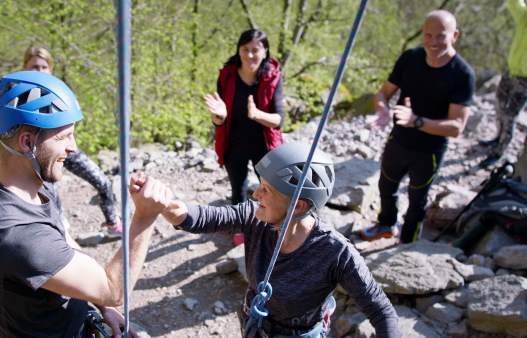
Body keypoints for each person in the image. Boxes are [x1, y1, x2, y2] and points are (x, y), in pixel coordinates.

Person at [133, 142, 401, 337]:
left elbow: (381, 312)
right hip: (255, 324)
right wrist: (164, 204)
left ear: (297, 206)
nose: (255, 194)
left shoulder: (336, 253)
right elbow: (205, 217)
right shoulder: (255, 216)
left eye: (267, 190)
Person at [0, 71, 160, 337]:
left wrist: (100, 305)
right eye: (64, 136)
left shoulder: (11, 186)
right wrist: (145, 217)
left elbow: (63, 242)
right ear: (27, 142)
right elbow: (114, 290)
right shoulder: (18, 235)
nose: (73, 148)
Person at [361, 10, 475, 244]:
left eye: (441, 36)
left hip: (429, 150)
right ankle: (387, 224)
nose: (433, 43)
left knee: (417, 200)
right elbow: (384, 93)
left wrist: (417, 121)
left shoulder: (463, 74)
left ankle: (407, 242)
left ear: (455, 35)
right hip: (399, 139)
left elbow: (456, 127)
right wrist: (382, 111)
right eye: (429, 35)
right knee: (386, 186)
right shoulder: (410, 58)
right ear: (422, 33)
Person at [23, 46, 122, 236]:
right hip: (40, 155)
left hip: (65, 147)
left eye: (44, 67)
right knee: (52, 198)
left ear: (50, 68)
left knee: (101, 181)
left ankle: (112, 223)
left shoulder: (57, 91)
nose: (39, 71)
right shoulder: (19, 96)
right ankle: (63, 238)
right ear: (25, 66)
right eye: (35, 66)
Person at [205, 29, 284, 207]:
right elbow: (218, 121)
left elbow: (279, 121)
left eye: (255, 50)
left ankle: (270, 227)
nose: (249, 55)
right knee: (238, 191)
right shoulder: (226, 76)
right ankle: (239, 229)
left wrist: (256, 114)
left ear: (265, 52)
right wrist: (219, 116)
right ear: (238, 50)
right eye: (245, 49)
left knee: (271, 191)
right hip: (233, 147)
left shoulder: (273, 78)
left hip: (264, 148)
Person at [478, 0, 527, 168]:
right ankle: (497, 138)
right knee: (499, 107)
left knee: (510, 116)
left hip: (525, 80)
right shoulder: (524, 17)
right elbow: (514, 3)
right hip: (510, 72)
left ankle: (499, 152)